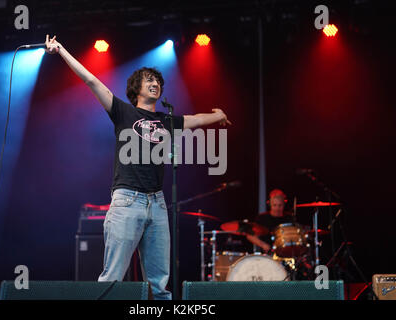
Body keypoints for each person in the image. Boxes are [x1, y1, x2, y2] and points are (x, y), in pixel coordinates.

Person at [44, 35, 232, 300]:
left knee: (159, 285)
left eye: (157, 82)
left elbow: (196, 119)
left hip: (157, 204)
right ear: (136, 88)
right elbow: (91, 80)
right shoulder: (123, 112)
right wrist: (61, 49)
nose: (155, 84)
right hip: (126, 201)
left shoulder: (165, 120)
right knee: (111, 279)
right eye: (149, 80)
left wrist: (219, 115)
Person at [246, 189, 295, 253]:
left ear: (284, 204)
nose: (277, 208)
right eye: (274, 205)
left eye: (280, 205)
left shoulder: (289, 218)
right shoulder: (262, 218)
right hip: (267, 255)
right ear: (270, 205)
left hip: (285, 253)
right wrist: (263, 245)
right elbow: (250, 235)